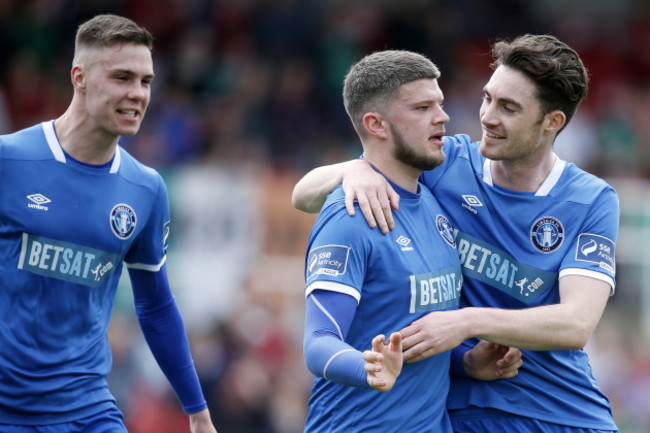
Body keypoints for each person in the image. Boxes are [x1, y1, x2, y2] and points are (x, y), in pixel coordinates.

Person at [293, 34, 619, 433]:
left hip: (559, 407)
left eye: (508, 107)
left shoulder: (591, 199)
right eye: (487, 98)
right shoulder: (447, 163)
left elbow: (576, 325)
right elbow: (304, 194)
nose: (487, 117)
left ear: (552, 122)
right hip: (464, 411)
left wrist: (465, 323)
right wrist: (354, 169)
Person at [0, 14, 217, 433]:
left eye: (146, 81)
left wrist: (198, 410)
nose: (137, 94)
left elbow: (155, 305)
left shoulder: (146, 189)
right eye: (122, 78)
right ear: (79, 77)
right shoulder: (9, 161)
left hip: (87, 410)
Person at [301, 49, 521, 433]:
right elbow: (318, 342)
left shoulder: (433, 200)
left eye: (440, 103)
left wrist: (466, 363)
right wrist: (367, 368)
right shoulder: (350, 216)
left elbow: (406, 336)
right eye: (422, 108)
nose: (443, 117)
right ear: (377, 124)